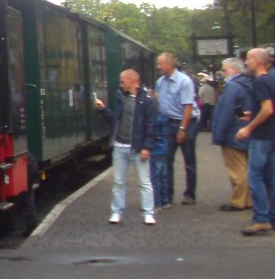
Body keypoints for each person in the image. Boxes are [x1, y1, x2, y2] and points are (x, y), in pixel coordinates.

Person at [94, 69, 158, 225]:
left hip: (138, 147)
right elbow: (115, 120)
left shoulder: (148, 100)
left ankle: (148, 212)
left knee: (144, 182)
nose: (121, 84)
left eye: (123, 81)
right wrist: (103, 110)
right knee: (118, 182)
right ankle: (116, 212)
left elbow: (151, 126)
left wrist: (147, 147)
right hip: (120, 146)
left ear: (131, 80)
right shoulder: (122, 98)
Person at [235, 47, 275, 235]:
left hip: (261, 137)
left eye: (248, 58)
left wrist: (249, 127)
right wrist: (253, 114)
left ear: (258, 61)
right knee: (271, 178)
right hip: (273, 134)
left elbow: (268, 109)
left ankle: (261, 219)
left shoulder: (259, 83)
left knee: (254, 176)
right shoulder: (274, 80)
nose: (245, 62)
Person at [155, 53, 200, 204]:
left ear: (169, 64)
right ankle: (168, 195)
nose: (158, 67)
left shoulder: (184, 81)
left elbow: (187, 106)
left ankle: (190, 194)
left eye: (160, 64)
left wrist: (182, 128)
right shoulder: (160, 82)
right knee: (167, 160)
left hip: (186, 122)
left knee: (189, 160)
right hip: (168, 123)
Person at [211, 57, 253, 212]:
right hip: (244, 129)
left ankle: (238, 201)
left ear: (234, 70)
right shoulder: (247, 84)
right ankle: (248, 200)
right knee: (244, 167)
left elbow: (226, 112)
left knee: (235, 169)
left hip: (232, 133)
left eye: (224, 69)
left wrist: (219, 134)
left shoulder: (232, 87)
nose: (222, 73)